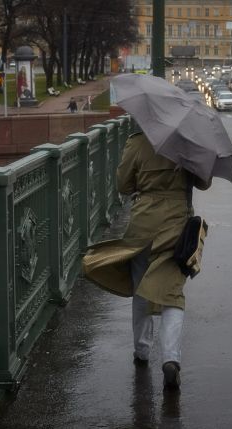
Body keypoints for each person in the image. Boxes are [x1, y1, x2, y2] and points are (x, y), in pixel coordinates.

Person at [83, 125, 210, 390]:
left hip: (143, 226)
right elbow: (203, 182)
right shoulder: (186, 143)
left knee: (141, 286)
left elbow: (123, 185)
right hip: (177, 225)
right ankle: (170, 358)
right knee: (172, 293)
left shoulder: (137, 142)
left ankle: (142, 350)